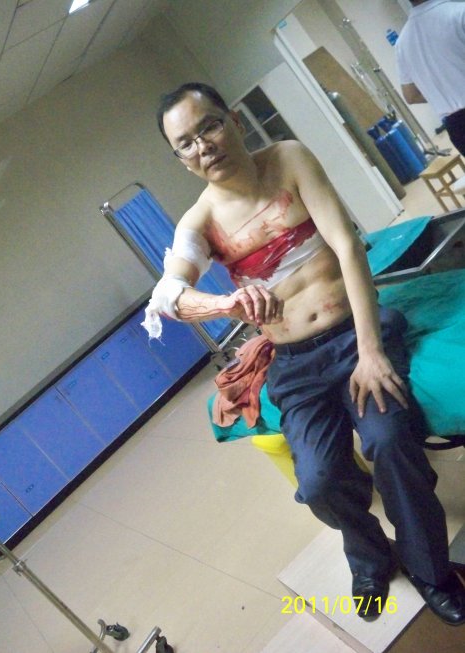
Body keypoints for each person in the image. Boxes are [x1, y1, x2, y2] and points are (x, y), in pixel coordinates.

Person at [143, 81, 465, 624]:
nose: (203, 146)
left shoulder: (288, 160)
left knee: (390, 441)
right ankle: (370, 558)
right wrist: (225, 303)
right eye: (186, 144)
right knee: (317, 481)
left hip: (354, 333)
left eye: (209, 127)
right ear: (180, 159)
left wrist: (371, 351)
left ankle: (431, 571)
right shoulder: (199, 222)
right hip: (295, 363)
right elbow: (168, 296)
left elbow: (346, 244)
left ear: (234, 120)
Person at [395, 0, 465, 155]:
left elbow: (411, 95)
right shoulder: (459, 12)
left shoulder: (402, 44)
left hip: (457, 127)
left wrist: (444, 93)